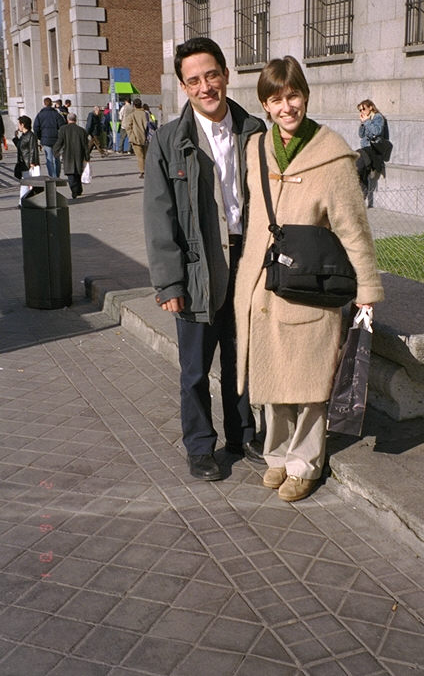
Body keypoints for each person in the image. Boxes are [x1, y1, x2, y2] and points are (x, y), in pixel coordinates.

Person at [234, 56, 384, 502]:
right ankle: (277, 456)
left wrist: (367, 289)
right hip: (262, 285)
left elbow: (354, 227)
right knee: (273, 380)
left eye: (293, 95)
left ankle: (305, 463)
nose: (286, 107)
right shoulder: (256, 148)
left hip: (310, 289)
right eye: (276, 99)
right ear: (265, 104)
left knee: (311, 384)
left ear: (305, 96)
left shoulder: (332, 153)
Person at [143, 37, 267, 482]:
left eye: (211, 75)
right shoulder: (169, 140)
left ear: (226, 74)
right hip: (198, 269)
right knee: (195, 368)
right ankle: (200, 446)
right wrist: (169, 283)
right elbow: (159, 214)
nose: (204, 86)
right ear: (183, 86)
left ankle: (242, 436)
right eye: (193, 80)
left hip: (248, 263)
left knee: (240, 359)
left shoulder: (253, 129)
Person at [355, 99, 390, 208]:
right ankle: (361, 199)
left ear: (370, 107)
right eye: (360, 110)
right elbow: (361, 135)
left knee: (357, 159)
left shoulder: (378, 117)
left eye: (364, 108)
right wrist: (362, 123)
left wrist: (366, 122)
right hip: (366, 150)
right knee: (362, 172)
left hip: (374, 150)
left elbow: (377, 132)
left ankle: (361, 198)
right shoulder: (367, 119)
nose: (362, 111)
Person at [53, 113, 90, 199]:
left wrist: (55, 151)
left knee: (70, 174)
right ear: (76, 120)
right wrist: (87, 156)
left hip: (68, 154)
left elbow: (60, 142)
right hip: (79, 154)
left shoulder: (63, 129)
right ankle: (78, 189)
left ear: (67, 119)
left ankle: (74, 190)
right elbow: (85, 145)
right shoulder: (82, 130)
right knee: (78, 172)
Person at [33, 97, 65, 177]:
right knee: (57, 158)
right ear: (51, 104)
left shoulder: (40, 115)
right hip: (56, 139)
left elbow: (36, 128)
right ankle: (57, 175)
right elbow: (62, 126)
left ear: (44, 104)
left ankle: (52, 176)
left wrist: (39, 138)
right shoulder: (56, 114)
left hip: (45, 139)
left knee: (49, 159)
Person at [13, 116, 40, 205]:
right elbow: (21, 147)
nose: (18, 126)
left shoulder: (31, 135)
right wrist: (15, 139)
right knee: (24, 183)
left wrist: (32, 162)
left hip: (28, 164)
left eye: (19, 124)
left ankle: (23, 202)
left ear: (23, 124)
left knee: (26, 184)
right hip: (23, 163)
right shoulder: (23, 136)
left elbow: (33, 149)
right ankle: (23, 201)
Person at [125, 99, 148, 178]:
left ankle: (142, 171)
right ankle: (148, 170)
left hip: (136, 138)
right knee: (146, 155)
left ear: (134, 105)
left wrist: (131, 136)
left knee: (140, 156)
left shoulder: (132, 115)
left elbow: (127, 126)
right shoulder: (146, 114)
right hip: (146, 137)